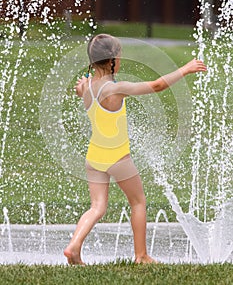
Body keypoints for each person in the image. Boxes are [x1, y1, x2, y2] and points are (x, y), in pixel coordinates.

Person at [64, 34, 207, 265]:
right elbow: (157, 85)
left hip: (94, 157)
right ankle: (141, 255)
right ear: (112, 60)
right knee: (138, 201)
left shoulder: (87, 86)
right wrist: (186, 69)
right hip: (118, 157)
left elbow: (83, 92)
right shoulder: (114, 89)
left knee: (97, 207)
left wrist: (82, 88)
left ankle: (74, 246)